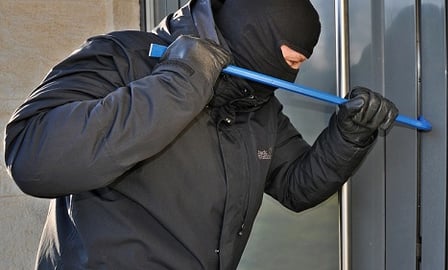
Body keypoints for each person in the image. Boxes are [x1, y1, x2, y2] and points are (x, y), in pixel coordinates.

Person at [4, 0, 398, 269]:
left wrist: (350, 134)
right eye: (290, 59)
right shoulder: (124, 57)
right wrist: (182, 83)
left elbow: (296, 186)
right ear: (252, 35)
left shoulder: (257, 105)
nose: (291, 74)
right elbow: (33, 158)